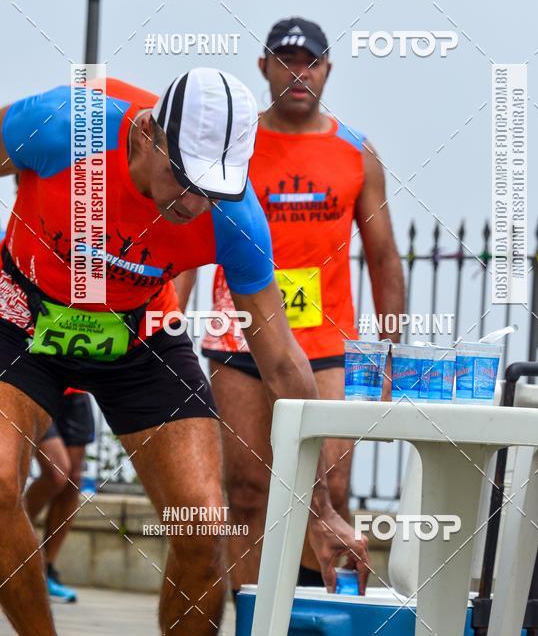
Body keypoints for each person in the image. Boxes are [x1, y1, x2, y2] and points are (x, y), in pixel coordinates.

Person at [0, 68, 369, 636]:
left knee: (201, 528)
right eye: (186, 178)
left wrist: (320, 508)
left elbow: (281, 360)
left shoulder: (235, 216)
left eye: (214, 188)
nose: (196, 202)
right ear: (149, 134)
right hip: (22, 316)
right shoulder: (63, 128)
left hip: (140, 333)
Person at [178, 18, 405, 594]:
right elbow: (189, 243)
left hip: (328, 349)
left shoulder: (356, 152)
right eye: (285, 60)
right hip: (239, 341)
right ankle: (256, 617)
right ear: (263, 66)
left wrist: (391, 349)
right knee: (250, 491)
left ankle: (312, 613)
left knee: (327, 483)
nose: (297, 73)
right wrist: (169, 326)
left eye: (310, 62)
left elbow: (383, 258)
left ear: (328, 70)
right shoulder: (237, 143)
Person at [25, 390, 95, 603]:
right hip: (38, 381)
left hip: (77, 388)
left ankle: (45, 571)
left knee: (73, 480)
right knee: (56, 473)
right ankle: (9, 539)